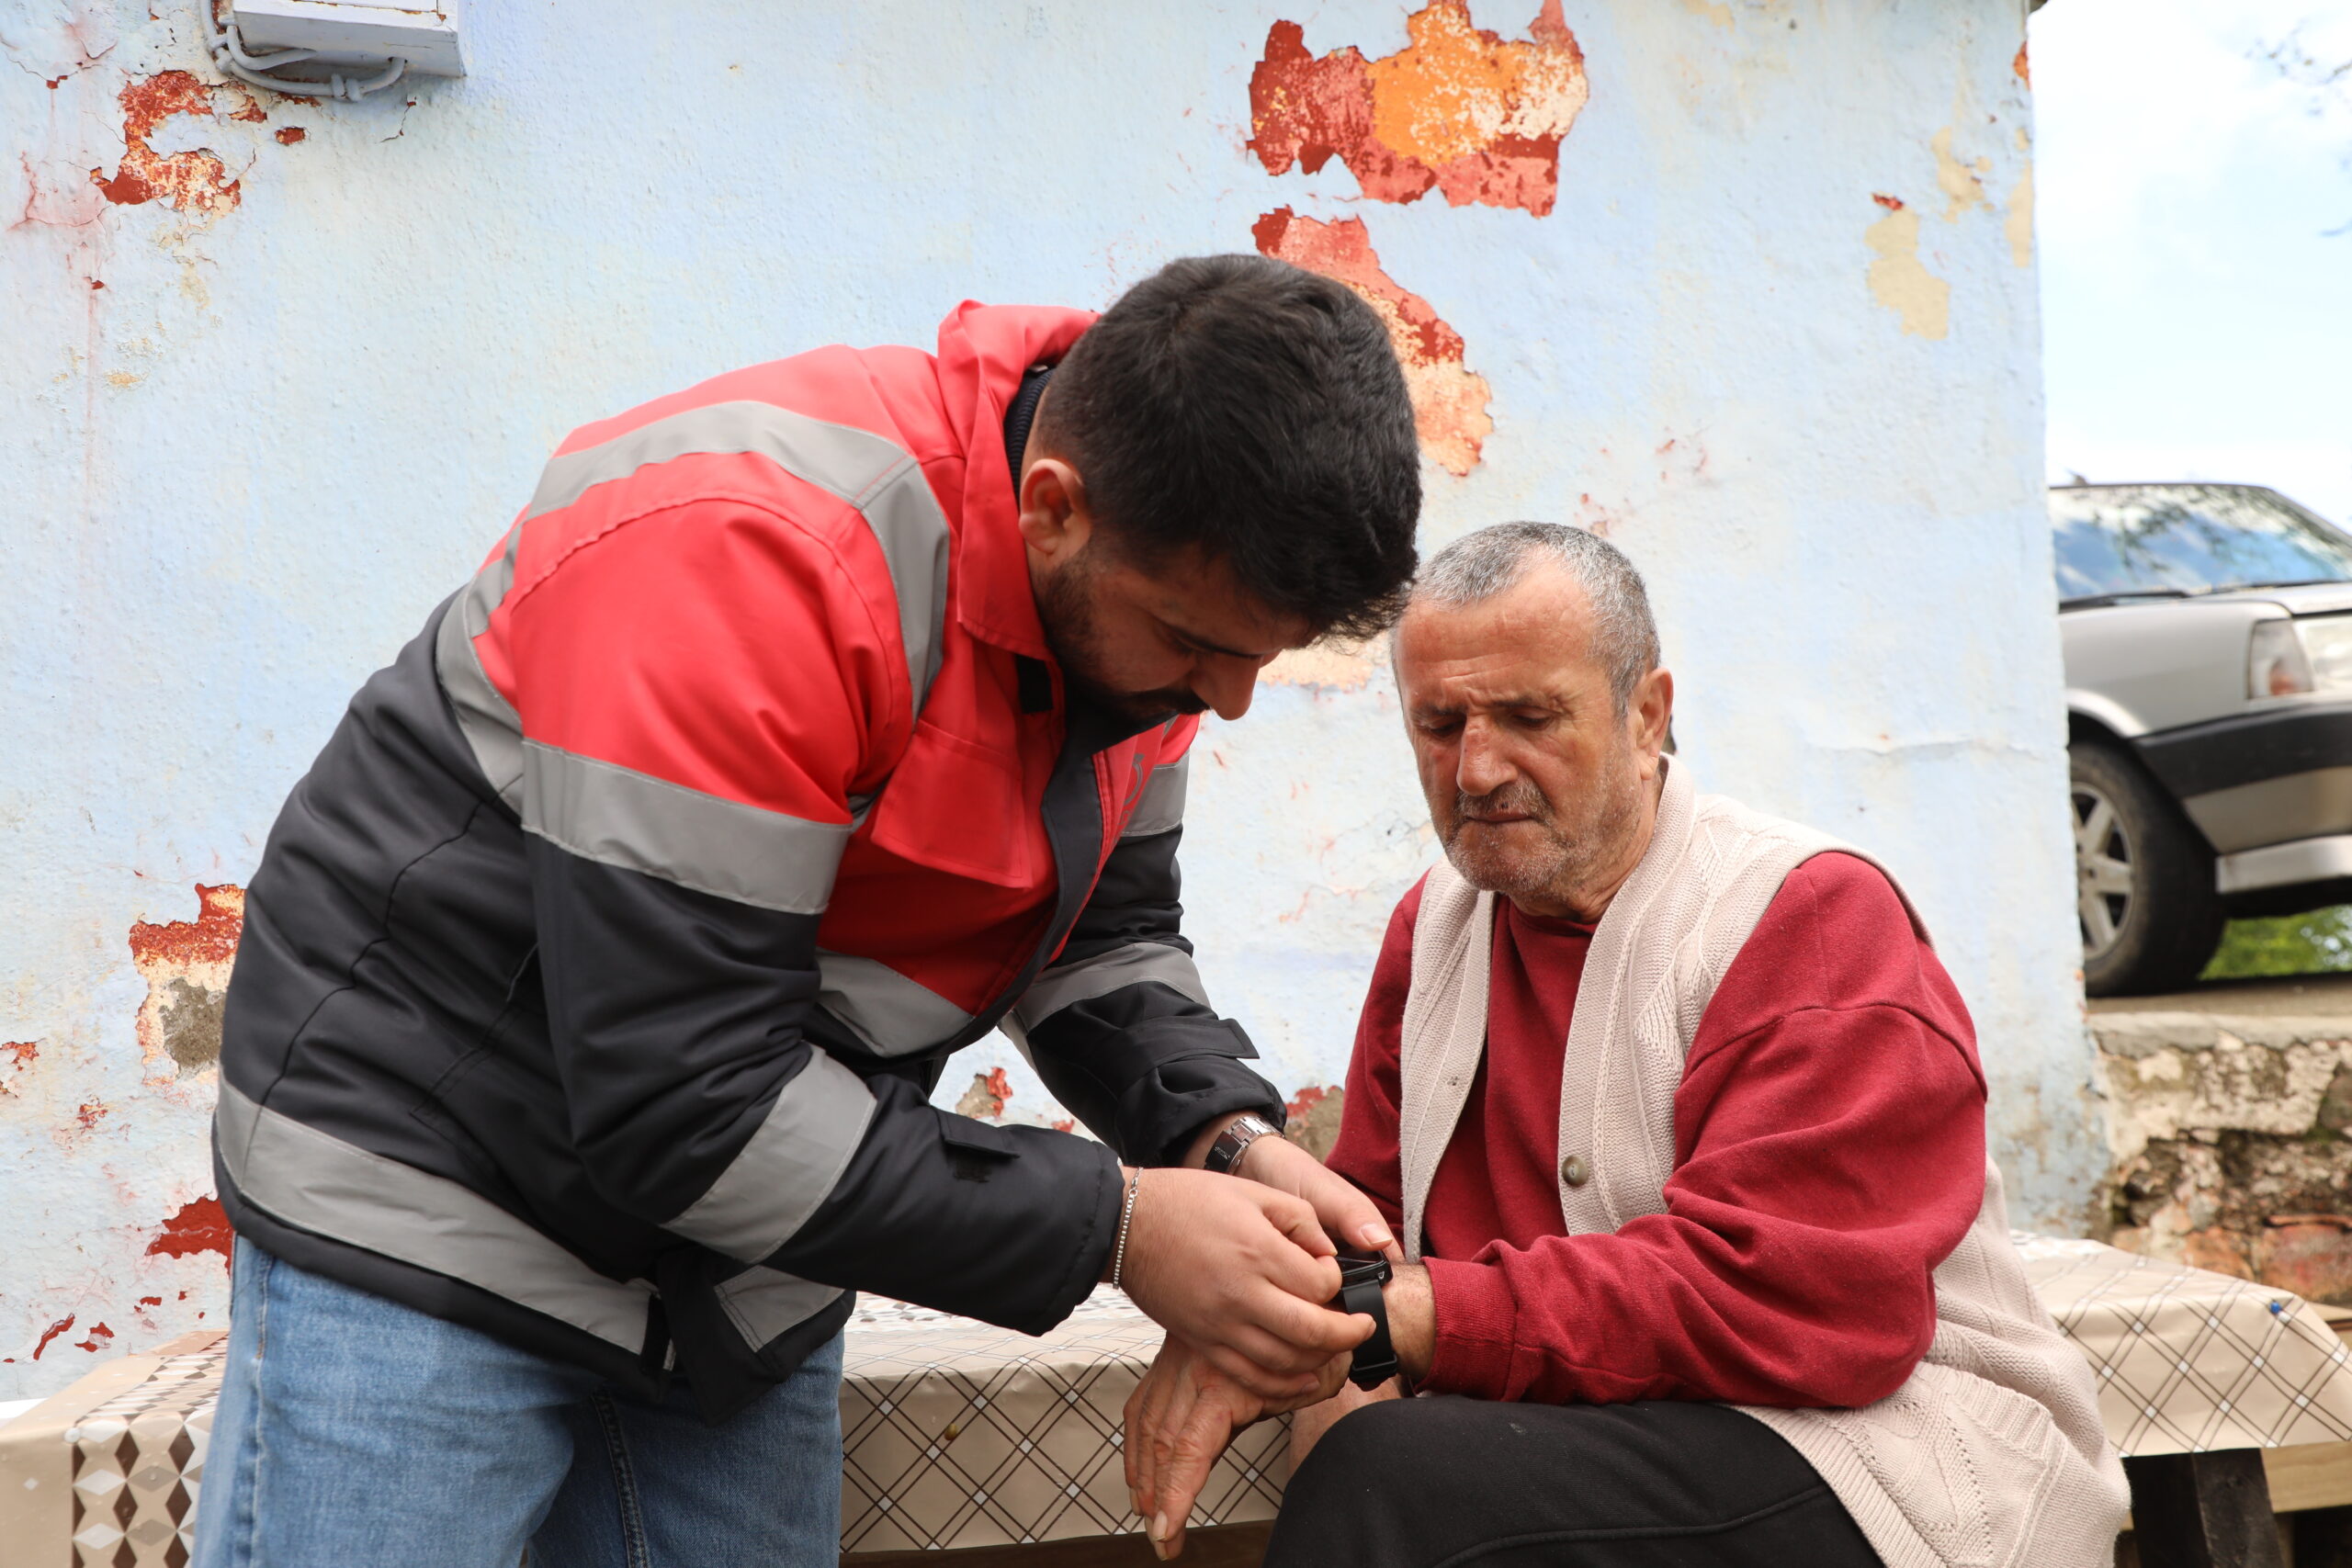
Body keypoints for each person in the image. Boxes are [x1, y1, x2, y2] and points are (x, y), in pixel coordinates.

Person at [194, 254, 1421, 1567]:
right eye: (1198, 646)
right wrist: (1123, 1224)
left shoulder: (1138, 611)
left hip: (736, 1256)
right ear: (1054, 510)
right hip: (434, 1191)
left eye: (1258, 657)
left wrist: (1223, 1136)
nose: (1225, 699)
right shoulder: (758, 551)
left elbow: (1104, 942)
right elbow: (683, 1098)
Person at [1125, 523, 2130, 1567]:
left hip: (1881, 1458)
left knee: (1395, 1480)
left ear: (1646, 715)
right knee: (1372, 1464)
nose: (1473, 768)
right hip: (1593, 1431)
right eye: (1438, 722)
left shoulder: (1807, 917)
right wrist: (1286, 1327)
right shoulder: (1433, 930)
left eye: (1526, 716)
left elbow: (1793, 1305)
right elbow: (1368, 1240)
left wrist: (1392, 1320)